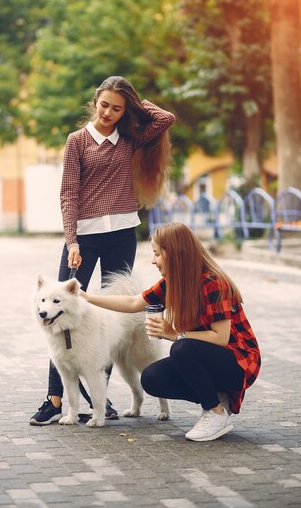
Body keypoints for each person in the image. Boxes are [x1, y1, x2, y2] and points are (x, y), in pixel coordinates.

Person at [30, 75, 175, 425]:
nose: (109, 112)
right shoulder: (77, 141)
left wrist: (137, 107)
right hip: (84, 237)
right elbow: (69, 194)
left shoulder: (130, 138)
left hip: (123, 232)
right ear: (95, 102)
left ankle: (101, 400)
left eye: (117, 107)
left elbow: (165, 118)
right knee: (58, 312)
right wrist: (72, 241)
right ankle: (54, 399)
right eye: (105, 104)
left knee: (113, 316)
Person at [79, 222, 261, 442]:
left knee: (182, 348)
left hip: (240, 362)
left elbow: (221, 338)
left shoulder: (214, 283)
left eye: (157, 254)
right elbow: (134, 302)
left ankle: (215, 412)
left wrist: (174, 333)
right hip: (210, 356)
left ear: (175, 254)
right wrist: (88, 299)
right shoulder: (174, 281)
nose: (153, 260)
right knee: (152, 378)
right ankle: (219, 397)